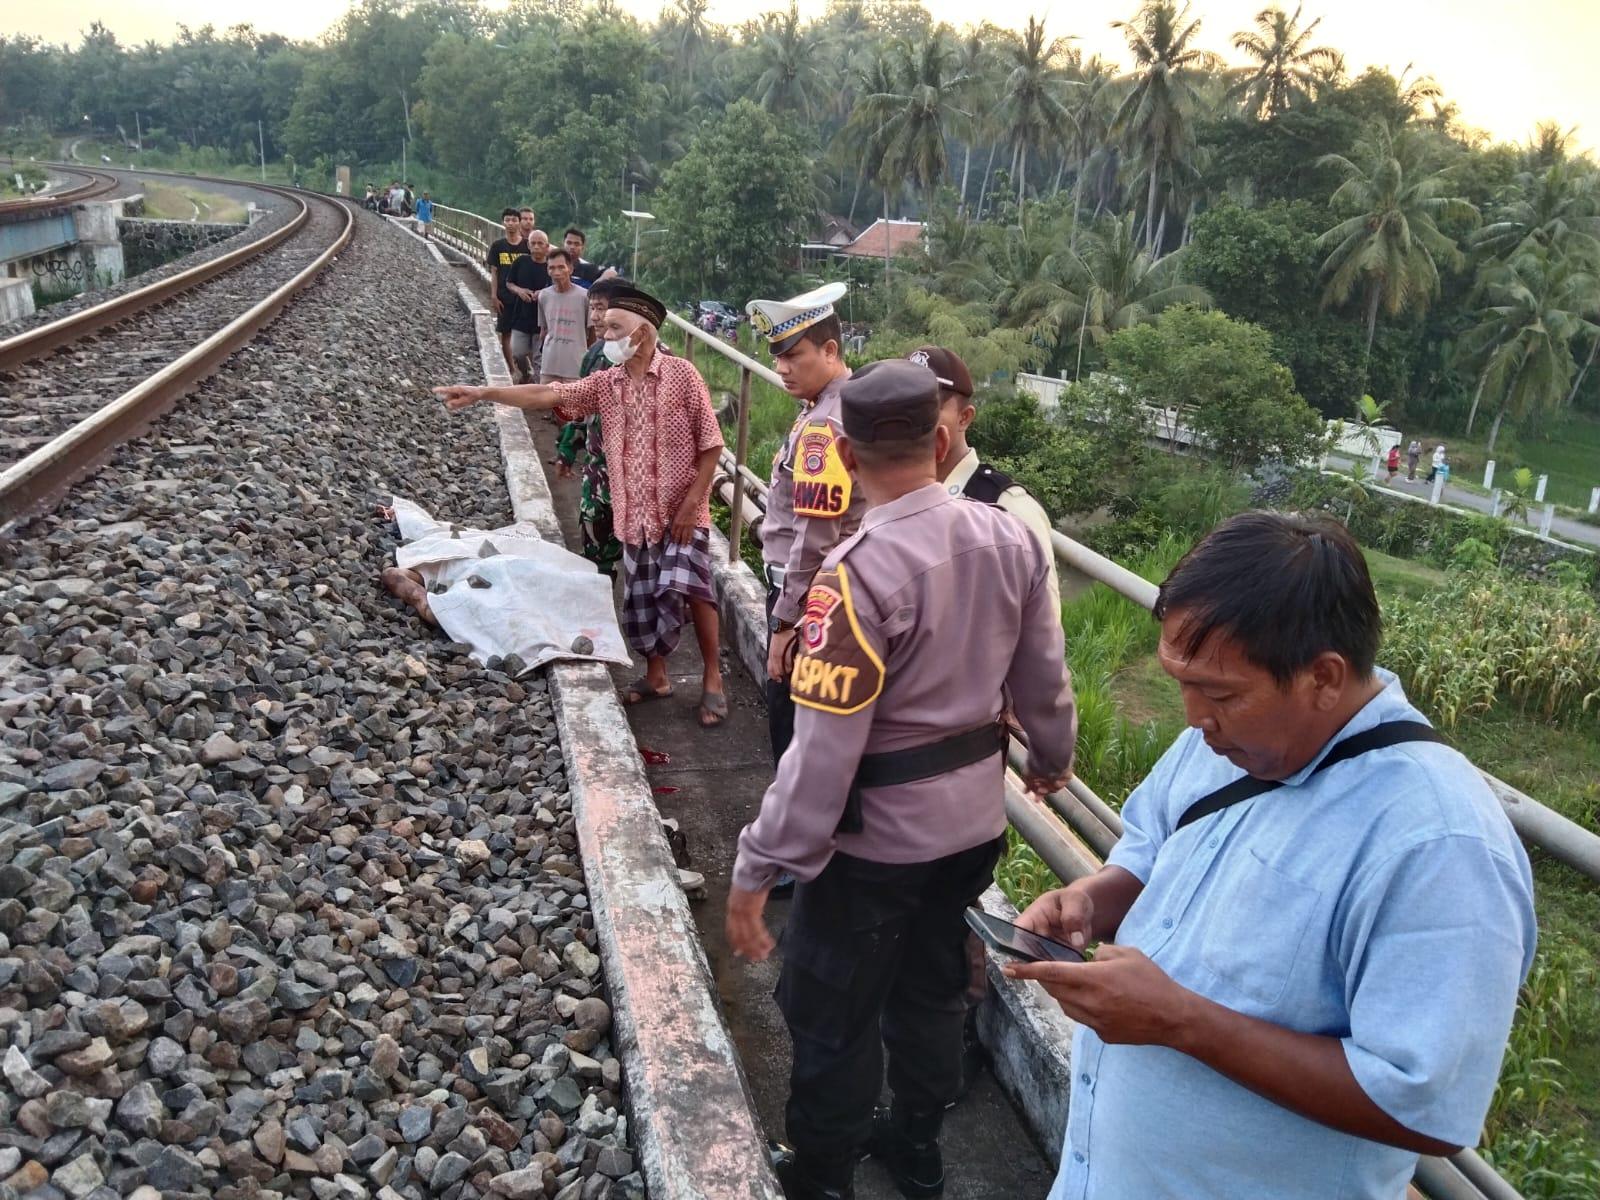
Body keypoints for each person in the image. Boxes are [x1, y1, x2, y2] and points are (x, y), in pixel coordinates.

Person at [1006, 511, 1536, 1200]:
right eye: (1182, 683)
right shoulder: (1224, 739)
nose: (1193, 717)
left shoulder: (1439, 845)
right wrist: (1092, 900)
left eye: (1220, 693)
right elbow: (1151, 848)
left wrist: (1180, 1021)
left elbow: (1424, 1107)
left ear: (1322, 676)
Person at [725, 359, 1077, 1200]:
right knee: (929, 993)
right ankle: (917, 1151)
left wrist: (757, 863)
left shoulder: (855, 574)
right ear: (943, 438)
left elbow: (821, 758)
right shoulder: (1011, 538)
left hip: (872, 847)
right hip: (971, 833)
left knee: (832, 1016)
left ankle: (822, 1178)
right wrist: (1055, 759)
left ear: (843, 457)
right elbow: (1046, 682)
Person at [434, 283, 729, 727]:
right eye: (606, 326)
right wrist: (484, 393)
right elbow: (549, 396)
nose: (605, 334)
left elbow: (710, 445)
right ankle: (658, 676)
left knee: (695, 590)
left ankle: (712, 680)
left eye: (615, 328)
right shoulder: (605, 384)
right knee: (643, 597)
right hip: (635, 515)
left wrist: (692, 504)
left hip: (681, 511)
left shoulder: (683, 376)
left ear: (643, 334)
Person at [746, 282, 861, 764]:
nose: (780, 369)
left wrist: (785, 622)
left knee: (794, 731)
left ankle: (798, 835)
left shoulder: (823, 426)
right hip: (835, 592)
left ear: (830, 350)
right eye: (777, 358)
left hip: (809, 597)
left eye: (793, 356)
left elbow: (814, 538)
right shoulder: (841, 404)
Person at [914, 344, 1061, 617]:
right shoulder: (901, 498)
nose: (912, 423)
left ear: (964, 417)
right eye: (903, 409)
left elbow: (1045, 624)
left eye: (927, 409)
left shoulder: (1008, 509)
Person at [556, 280, 623, 576]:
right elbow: (581, 410)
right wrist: (567, 449)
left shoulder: (657, 357)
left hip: (638, 479)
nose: (594, 316)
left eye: (601, 308)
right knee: (595, 557)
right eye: (592, 308)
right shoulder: (594, 355)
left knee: (643, 562)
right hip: (597, 476)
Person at [505, 229, 552, 386]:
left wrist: (544, 292)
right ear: (528, 245)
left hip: (543, 320)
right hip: (521, 316)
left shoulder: (552, 267)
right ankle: (525, 374)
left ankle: (538, 390)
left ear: (547, 246)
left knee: (540, 358)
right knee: (518, 352)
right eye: (533, 243)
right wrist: (519, 291)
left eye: (540, 243)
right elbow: (509, 283)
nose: (537, 247)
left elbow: (558, 288)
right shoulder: (521, 262)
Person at [536, 249, 589, 385]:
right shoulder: (544, 296)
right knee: (546, 403)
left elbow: (592, 332)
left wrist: (587, 360)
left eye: (561, 267)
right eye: (551, 268)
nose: (556, 272)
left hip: (575, 366)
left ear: (570, 269)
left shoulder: (584, 296)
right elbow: (544, 330)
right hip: (549, 365)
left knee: (572, 405)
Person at [486, 208, 528, 375]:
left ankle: (525, 369)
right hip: (504, 296)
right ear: (503, 222)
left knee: (526, 334)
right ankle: (510, 369)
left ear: (519, 222)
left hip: (523, 297)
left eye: (514, 220)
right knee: (506, 333)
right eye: (507, 220)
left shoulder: (527, 245)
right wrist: (493, 295)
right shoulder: (497, 246)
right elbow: (494, 272)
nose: (510, 223)